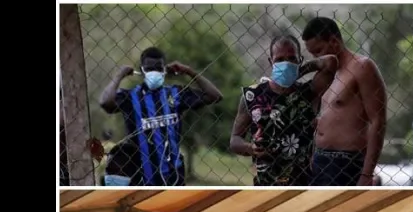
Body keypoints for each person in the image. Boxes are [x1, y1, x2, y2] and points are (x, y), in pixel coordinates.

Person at [99, 47, 222, 186]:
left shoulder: (175, 94)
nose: (154, 72)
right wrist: (119, 75)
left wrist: (189, 71)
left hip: (174, 177)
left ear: (164, 70)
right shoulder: (130, 97)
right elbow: (105, 102)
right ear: (142, 70)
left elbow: (214, 96)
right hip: (142, 178)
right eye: (150, 68)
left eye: (158, 68)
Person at [230, 35, 338, 186]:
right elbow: (235, 140)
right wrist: (251, 148)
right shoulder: (252, 96)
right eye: (279, 60)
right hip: (265, 184)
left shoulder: (309, 93)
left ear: (299, 60)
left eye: (291, 58)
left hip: (303, 184)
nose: (285, 63)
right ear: (270, 62)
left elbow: (331, 62)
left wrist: (297, 71)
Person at [301, 17, 388, 186]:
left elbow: (378, 120)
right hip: (319, 160)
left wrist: (366, 174)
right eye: (312, 54)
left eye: (319, 51)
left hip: (346, 161)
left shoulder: (362, 67)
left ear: (334, 41)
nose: (317, 58)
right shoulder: (326, 74)